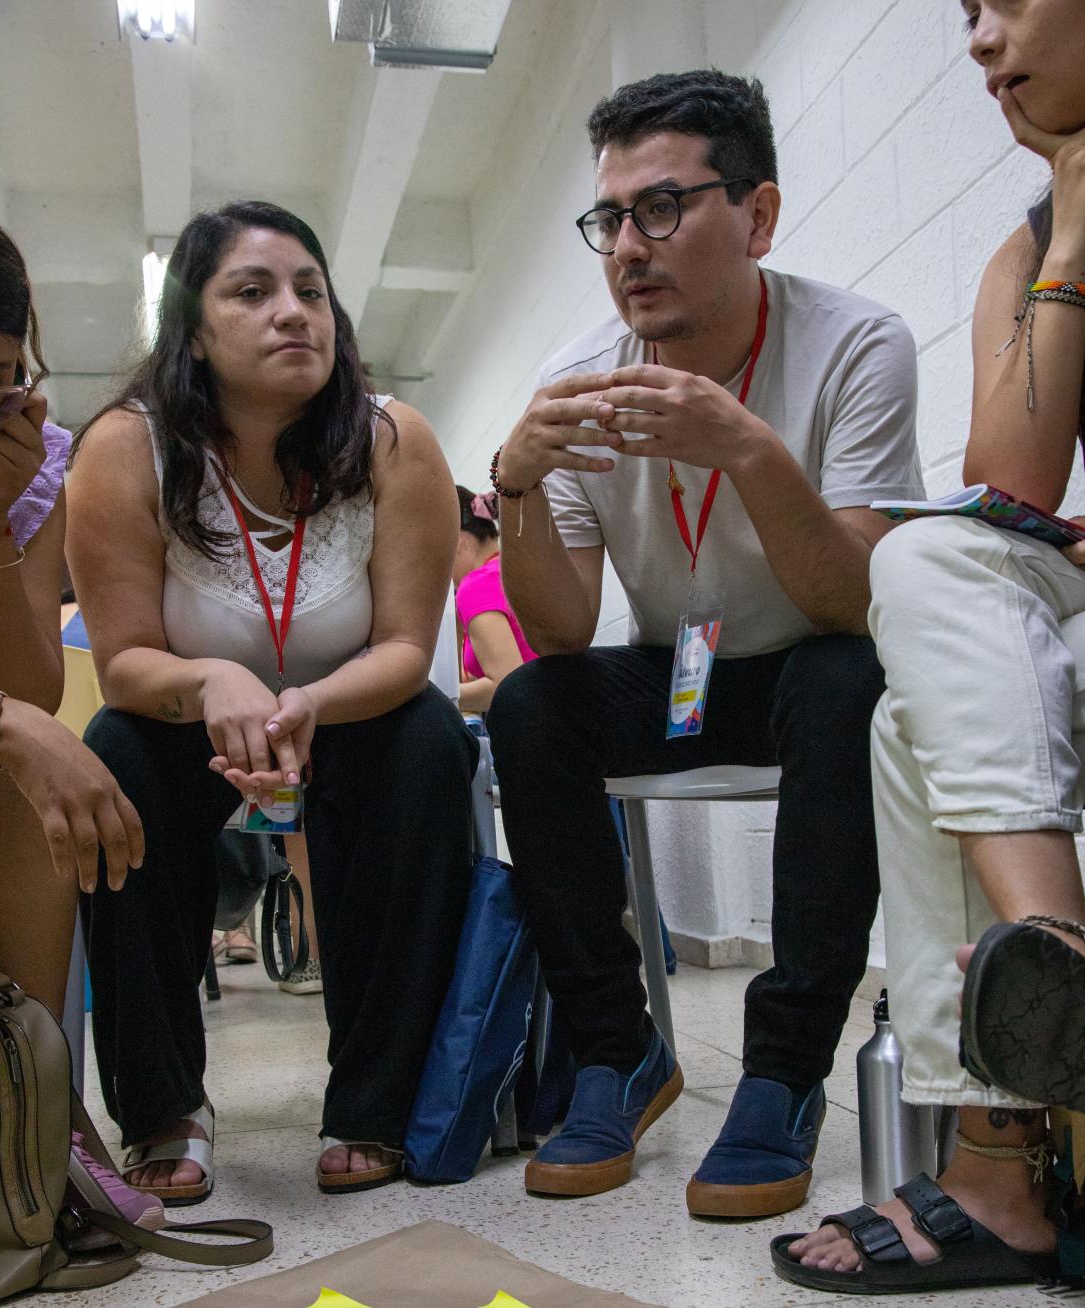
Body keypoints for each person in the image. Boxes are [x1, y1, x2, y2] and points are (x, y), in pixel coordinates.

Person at [485, 70, 923, 1214]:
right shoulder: (576, 380)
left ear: (759, 216)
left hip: (810, 662)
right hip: (682, 676)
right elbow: (560, 628)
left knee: (853, 677)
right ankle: (615, 1050)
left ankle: (780, 1071)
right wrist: (516, 483)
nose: (629, 245)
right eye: (610, 220)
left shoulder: (856, 344)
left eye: (663, 209)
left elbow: (854, 601)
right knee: (531, 706)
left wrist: (751, 453)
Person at [66, 200, 477, 1203]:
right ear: (194, 333)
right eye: (251, 293)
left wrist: (306, 706)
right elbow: (124, 662)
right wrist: (214, 679)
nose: (293, 313)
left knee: (428, 739)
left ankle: (376, 1100)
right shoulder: (127, 447)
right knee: (111, 752)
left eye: (310, 291)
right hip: (184, 721)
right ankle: (163, 1105)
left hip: (352, 710)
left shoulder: (394, 440)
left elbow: (404, 648)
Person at [773, 0, 1085, 1293]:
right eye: (958, 14)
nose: (976, 39)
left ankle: (1000, 1153)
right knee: (924, 577)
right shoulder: (1028, 245)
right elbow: (1009, 475)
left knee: (915, 701)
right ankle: (1054, 976)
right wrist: (1073, 208)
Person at [0, 223, 156, 1232]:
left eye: (0, 379)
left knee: (38, 773)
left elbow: (27, 682)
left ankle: (35, 1106)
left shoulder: (32, 466)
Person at [454, 485, 537, 715]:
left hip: (538, 721)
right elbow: (473, 677)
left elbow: (506, 684)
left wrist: (434, 697)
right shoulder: (508, 570)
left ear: (458, 542)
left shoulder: (475, 585)